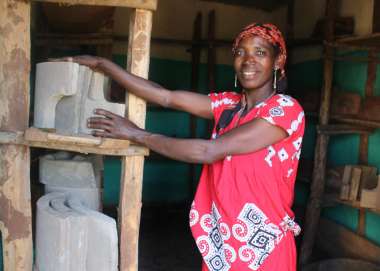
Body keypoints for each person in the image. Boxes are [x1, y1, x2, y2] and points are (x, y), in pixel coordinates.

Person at [59, 23, 305, 271]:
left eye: (260, 53)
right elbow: (165, 96)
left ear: (278, 60)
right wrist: (103, 65)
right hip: (223, 246)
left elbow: (208, 151)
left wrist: (136, 134)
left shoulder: (285, 110)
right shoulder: (229, 105)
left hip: (264, 249)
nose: (248, 60)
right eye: (240, 52)